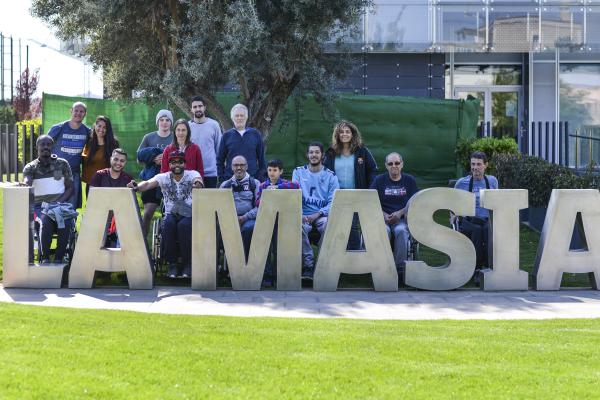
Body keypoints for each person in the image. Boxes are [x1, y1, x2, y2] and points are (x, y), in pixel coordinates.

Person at [128, 151, 203, 278]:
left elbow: (198, 180)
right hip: (170, 213)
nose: (177, 165)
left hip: (188, 214)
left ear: (185, 164)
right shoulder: (163, 177)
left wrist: (197, 184)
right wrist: (136, 186)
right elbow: (147, 183)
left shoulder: (192, 174)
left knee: (184, 226)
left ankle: (187, 265)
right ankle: (172, 265)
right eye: (173, 162)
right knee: (167, 225)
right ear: (169, 165)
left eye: (180, 162)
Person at [323, 120, 378, 249]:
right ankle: (339, 253)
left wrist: (369, 191)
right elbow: (325, 173)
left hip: (356, 195)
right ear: (337, 135)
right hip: (336, 196)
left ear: (353, 134)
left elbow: (372, 171)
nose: (344, 134)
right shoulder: (331, 152)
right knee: (337, 225)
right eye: (341, 132)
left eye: (347, 132)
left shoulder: (362, 151)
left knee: (353, 225)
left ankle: (354, 254)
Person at [22, 135, 76, 264]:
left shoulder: (62, 164)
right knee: (46, 220)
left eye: (48, 144)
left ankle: (59, 258)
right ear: (37, 147)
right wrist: (25, 183)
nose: (45, 146)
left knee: (66, 222)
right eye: (42, 144)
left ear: (52, 147)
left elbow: (70, 188)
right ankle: (45, 257)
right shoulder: (30, 167)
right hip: (40, 207)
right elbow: (27, 180)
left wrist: (59, 202)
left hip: (60, 204)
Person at [292, 142, 340, 279]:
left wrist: (318, 213)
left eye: (317, 152)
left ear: (322, 155)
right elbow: (294, 196)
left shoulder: (331, 176)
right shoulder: (298, 172)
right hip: (303, 215)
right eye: (311, 152)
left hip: (321, 214)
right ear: (307, 155)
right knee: (297, 226)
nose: (314, 155)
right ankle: (308, 265)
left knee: (327, 225)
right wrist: (301, 214)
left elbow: (334, 201)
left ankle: (322, 264)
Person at [370, 152, 419, 273]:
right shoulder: (379, 180)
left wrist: (400, 213)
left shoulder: (409, 180)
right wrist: (384, 215)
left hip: (402, 220)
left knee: (401, 231)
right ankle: (382, 268)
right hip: (383, 219)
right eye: (390, 163)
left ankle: (399, 269)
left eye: (397, 163)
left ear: (402, 164)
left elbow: (415, 202)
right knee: (383, 231)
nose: (394, 166)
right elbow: (370, 201)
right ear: (386, 166)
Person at [255, 159, 300, 287]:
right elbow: (257, 202)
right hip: (267, 221)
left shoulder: (286, 184)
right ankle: (268, 275)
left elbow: (296, 186)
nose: (272, 173)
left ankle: (278, 274)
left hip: (281, 222)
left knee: (278, 248)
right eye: (270, 170)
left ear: (281, 171)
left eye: (275, 170)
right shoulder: (263, 185)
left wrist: (277, 187)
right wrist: (267, 193)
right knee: (267, 249)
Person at [453, 151, 499, 269]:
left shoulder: (492, 181)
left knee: (489, 230)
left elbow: (498, 201)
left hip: (487, 220)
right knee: (477, 230)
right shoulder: (461, 183)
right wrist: (453, 217)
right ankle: (477, 267)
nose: (475, 167)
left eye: (478, 164)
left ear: (486, 165)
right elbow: (452, 204)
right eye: (473, 164)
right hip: (469, 221)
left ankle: (490, 266)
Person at [136, 109, 174, 238]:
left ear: (171, 122)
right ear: (157, 122)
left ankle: (167, 244)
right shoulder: (149, 137)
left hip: (171, 180)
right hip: (151, 180)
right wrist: (152, 159)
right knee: (147, 214)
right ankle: (142, 244)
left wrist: (166, 160)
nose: (164, 122)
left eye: (167, 120)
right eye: (162, 120)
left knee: (170, 215)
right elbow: (138, 158)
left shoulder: (175, 136)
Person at [47, 101, 91, 209]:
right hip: (57, 171)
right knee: (55, 201)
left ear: (85, 114)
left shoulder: (87, 131)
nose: (78, 113)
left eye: (81, 111)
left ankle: (71, 226)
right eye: (76, 110)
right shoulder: (59, 128)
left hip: (74, 173)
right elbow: (44, 145)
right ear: (71, 111)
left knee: (71, 204)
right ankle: (54, 225)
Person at [219, 155, 261, 260]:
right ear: (231, 167)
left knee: (248, 229)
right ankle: (224, 265)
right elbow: (219, 206)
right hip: (230, 219)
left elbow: (260, 207)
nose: (239, 168)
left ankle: (246, 261)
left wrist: (245, 217)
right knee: (217, 229)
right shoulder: (225, 185)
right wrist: (232, 218)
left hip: (249, 219)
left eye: (242, 165)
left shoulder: (255, 184)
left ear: (247, 167)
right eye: (236, 165)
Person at [217, 104, 266, 182]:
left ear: (246, 117)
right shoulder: (226, 136)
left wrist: (261, 178)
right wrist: (222, 178)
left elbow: (261, 159)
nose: (239, 118)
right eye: (237, 116)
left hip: (252, 180)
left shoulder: (255, 134)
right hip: (230, 180)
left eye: (242, 115)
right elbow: (220, 160)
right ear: (232, 118)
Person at [82, 115, 120, 197]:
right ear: (95, 126)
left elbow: (117, 164)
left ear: (108, 129)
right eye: (99, 126)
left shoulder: (113, 144)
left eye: (104, 127)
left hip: (107, 184)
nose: (101, 129)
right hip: (91, 184)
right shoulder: (89, 142)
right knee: (92, 209)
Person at [189, 96, 222, 188]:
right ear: (191, 109)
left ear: (204, 107)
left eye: (200, 106)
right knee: (195, 201)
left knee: (210, 201)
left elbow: (219, 148)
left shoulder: (214, 125)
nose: (198, 109)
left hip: (211, 172)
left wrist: (219, 170)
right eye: (195, 107)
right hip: (193, 173)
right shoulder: (187, 127)